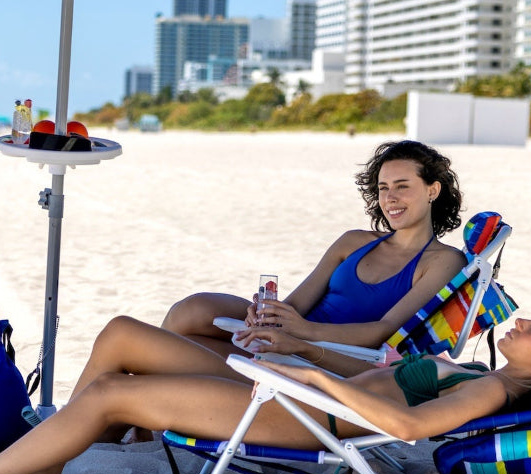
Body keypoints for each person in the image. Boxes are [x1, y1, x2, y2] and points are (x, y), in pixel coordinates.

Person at [0, 305, 531, 474]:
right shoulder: (475, 373)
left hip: (303, 420)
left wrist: (311, 381)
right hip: (295, 393)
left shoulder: (493, 385)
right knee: (124, 335)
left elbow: (401, 424)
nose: (522, 322)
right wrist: (299, 351)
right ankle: (48, 462)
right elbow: (381, 384)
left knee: (116, 394)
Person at [161, 140, 468, 370]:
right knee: (191, 310)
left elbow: (384, 331)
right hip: (287, 336)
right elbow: (296, 304)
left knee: (162, 348)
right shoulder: (353, 241)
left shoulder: (443, 261)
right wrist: (270, 315)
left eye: (403, 186)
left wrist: (302, 332)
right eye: (383, 187)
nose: (390, 198)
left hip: (322, 357)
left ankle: (138, 415)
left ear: (433, 190)